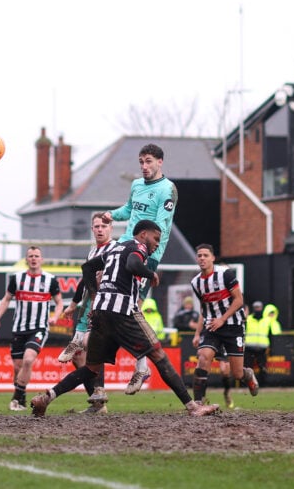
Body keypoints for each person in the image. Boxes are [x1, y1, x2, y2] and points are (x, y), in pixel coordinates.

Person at [29, 220, 218, 418]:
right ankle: (193, 407)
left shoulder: (114, 249)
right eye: (156, 239)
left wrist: (95, 296)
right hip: (123, 312)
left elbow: (87, 268)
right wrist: (149, 273)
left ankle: (46, 398)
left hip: (101, 312)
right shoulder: (138, 246)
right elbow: (133, 263)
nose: (156, 244)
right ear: (144, 234)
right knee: (160, 356)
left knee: (91, 368)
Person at [100, 143, 177, 395]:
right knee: (99, 278)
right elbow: (129, 211)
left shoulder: (167, 189)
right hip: (126, 246)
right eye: (141, 162)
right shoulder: (136, 185)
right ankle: (81, 333)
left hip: (146, 253)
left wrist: (142, 247)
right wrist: (112, 214)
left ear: (160, 162)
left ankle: (142, 364)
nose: (144, 167)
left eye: (149, 162)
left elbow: (160, 225)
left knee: (131, 309)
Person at [0, 246, 63, 411]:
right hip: (19, 328)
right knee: (17, 367)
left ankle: (16, 397)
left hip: (39, 327)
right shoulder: (17, 278)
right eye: (30, 256)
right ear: (26, 259)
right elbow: (6, 299)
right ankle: (21, 397)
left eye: (37, 256)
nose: (34, 259)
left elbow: (59, 302)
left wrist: (55, 317)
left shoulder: (50, 280)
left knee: (28, 359)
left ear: (41, 259)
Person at [57, 212, 115, 414]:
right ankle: (98, 405)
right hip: (88, 307)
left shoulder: (116, 249)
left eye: (104, 226)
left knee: (92, 346)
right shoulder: (92, 252)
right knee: (79, 358)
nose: (100, 229)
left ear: (111, 229)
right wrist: (73, 304)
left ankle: (100, 390)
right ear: (92, 229)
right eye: (97, 226)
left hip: (109, 306)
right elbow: (85, 279)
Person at [189, 244, 259, 406]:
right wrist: (198, 333)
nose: (202, 258)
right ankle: (198, 403)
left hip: (233, 326)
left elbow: (239, 300)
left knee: (236, 373)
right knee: (203, 357)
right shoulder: (195, 282)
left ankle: (247, 375)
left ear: (213, 258)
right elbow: (203, 309)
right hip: (212, 327)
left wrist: (222, 318)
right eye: (199, 255)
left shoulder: (225, 274)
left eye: (206, 255)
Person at [244, 301, 281, 387]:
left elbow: (270, 335)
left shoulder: (267, 320)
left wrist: (271, 348)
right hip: (249, 348)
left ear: (262, 308)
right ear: (253, 309)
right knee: (248, 368)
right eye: (256, 308)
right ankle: (248, 385)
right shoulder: (248, 319)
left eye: (259, 308)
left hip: (262, 348)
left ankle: (262, 384)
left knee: (263, 367)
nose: (257, 309)